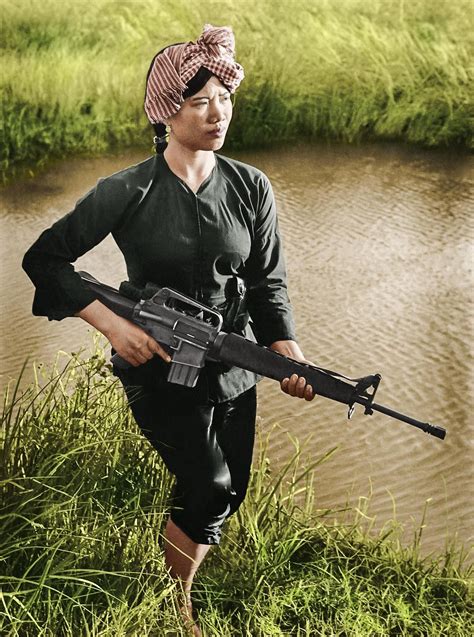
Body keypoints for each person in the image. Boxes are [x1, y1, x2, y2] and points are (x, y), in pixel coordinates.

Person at [22, 24, 315, 635]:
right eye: (200, 101)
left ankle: (178, 570)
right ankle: (176, 600)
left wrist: (286, 348)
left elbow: (268, 284)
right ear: (166, 112)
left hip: (233, 364)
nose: (218, 114)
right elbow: (44, 259)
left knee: (229, 493)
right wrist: (108, 326)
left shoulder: (250, 186)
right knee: (207, 484)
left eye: (225, 99)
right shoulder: (127, 189)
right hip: (156, 360)